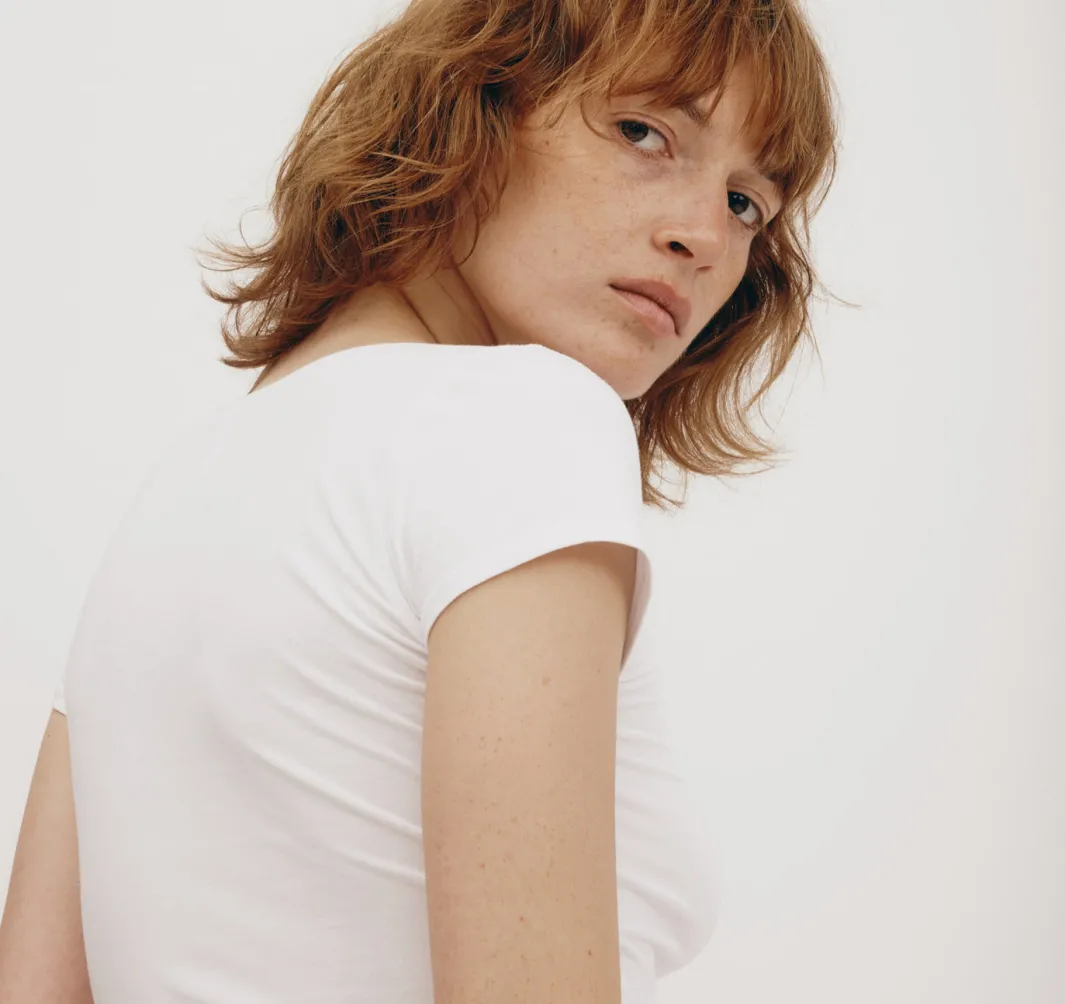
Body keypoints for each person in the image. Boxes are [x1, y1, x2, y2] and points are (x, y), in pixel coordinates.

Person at [0, 0, 840, 1001]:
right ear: (473, 104)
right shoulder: (527, 423)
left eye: (747, 204)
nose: (703, 235)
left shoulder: (178, 490)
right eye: (644, 132)